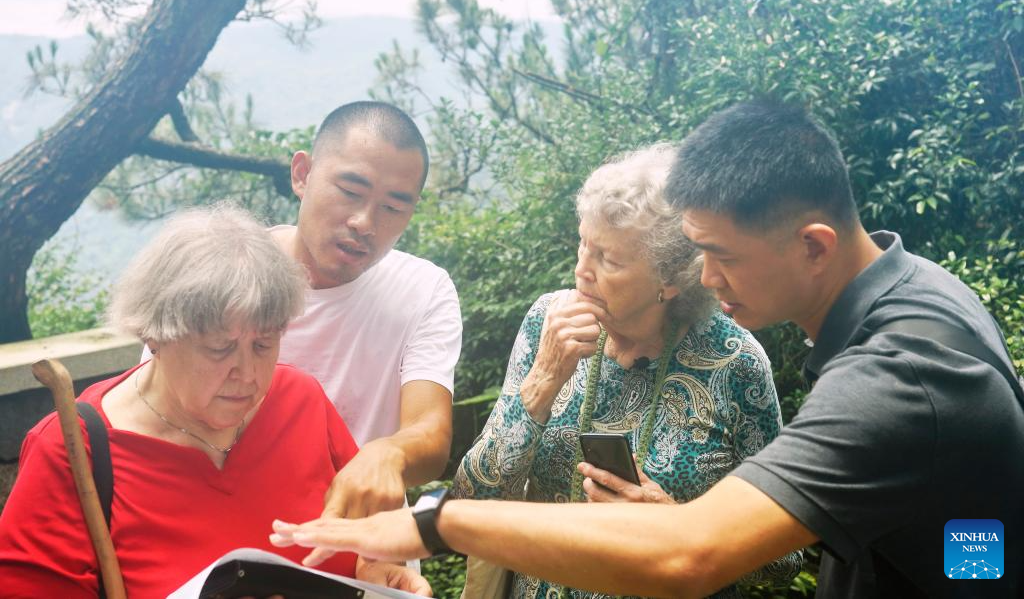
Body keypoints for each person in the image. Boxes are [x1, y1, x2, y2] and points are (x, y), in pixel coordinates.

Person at [269, 100, 1024, 598]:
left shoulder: (903, 372)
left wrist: (434, 523)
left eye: (719, 255)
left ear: (813, 246)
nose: (708, 277)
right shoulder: (921, 295)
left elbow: (695, 551)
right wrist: (968, 565)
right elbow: (969, 528)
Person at [0, 205, 430, 597]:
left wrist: (375, 569)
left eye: (264, 344)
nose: (248, 374)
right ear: (154, 335)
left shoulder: (300, 399)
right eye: (219, 348)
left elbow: (366, 536)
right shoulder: (74, 450)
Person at [451, 144, 800, 597]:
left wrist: (675, 524)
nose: (582, 269)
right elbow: (472, 498)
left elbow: (783, 559)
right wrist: (544, 379)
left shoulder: (735, 362)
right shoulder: (548, 321)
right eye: (583, 243)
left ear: (670, 281)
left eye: (609, 260)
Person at [272, 101, 462, 522]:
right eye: (350, 192)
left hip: (368, 543)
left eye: (392, 208)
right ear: (302, 174)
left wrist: (389, 453)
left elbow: (430, 432)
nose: (364, 222)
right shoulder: (226, 274)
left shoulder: (422, 290)